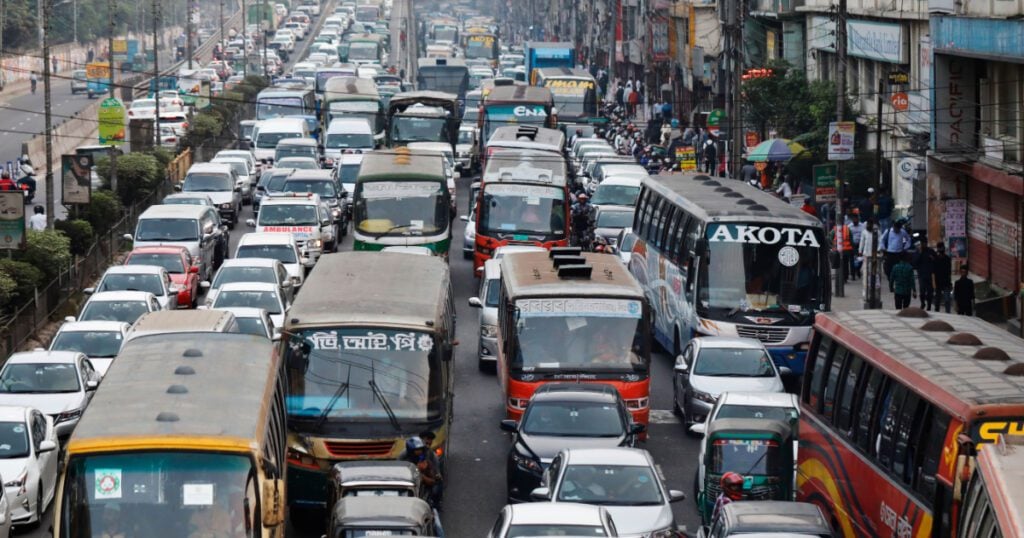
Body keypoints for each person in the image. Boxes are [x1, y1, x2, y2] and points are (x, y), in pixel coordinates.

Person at [403, 436, 443, 508]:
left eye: (420, 449)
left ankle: (436, 504)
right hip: (409, 479)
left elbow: (434, 466)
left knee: (437, 485)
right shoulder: (403, 457)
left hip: (425, 478)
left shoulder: (427, 455)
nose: (419, 452)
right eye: (417, 450)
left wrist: (435, 474)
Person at [880, 219, 912, 288]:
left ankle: (897, 283)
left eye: (898, 229)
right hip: (890, 253)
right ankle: (890, 280)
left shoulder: (903, 232)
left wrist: (905, 247)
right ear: (893, 227)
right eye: (896, 229)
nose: (897, 231)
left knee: (898, 269)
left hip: (899, 253)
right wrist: (883, 248)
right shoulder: (888, 231)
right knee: (888, 269)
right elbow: (882, 239)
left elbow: (908, 239)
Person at [913, 241, 936, 310]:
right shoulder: (918, 252)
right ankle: (922, 303)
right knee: (922, 291)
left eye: (924, 243)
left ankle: (929, 305)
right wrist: (920, 253)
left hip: (930, 274)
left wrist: (933, 259)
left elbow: (936, 260)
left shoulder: (931, 251)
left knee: (930, 292)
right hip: (921, 275)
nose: (923, 245)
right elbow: (914, 262)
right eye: (922, 244)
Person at [933, 242, 953, 313]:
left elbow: (949, 272)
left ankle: (948, 313)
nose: (941, 249)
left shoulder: (947, 259)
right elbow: (934, 272)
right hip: (938, 282)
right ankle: (937, 312)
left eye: (942, 248)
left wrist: (950, 282)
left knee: (947, 299)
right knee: (937, 300)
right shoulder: (935, 259)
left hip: (946, 282)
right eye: (940, 248)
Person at [847, 212, 866, 279]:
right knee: (852, 260)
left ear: (858, 219)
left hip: (860, 244)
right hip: (852, 245)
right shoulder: (849, 226)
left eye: (856, 219)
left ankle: (858, 269)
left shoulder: (863, 226)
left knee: (860, 259)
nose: (855, 220)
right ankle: (853, 274)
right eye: (854, 219)